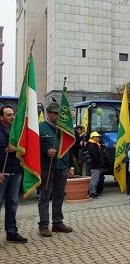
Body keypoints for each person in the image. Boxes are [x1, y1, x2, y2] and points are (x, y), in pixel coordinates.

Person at [38, 102, 74, 237]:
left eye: (60, 113)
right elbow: (33, 149)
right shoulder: (40, 128)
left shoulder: (63, 128)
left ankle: (57, 223)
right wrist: (45, 152)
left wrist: (71, 166)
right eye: (56, 113)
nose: (58, 115)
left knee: (59, 195)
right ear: (48, 113)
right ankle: (43, 225)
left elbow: (69, 148)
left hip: (62, 166)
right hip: (47, 167)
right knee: (44, 196)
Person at [0, 105, 28, 243]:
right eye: (8, 115)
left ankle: (11, 232)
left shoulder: (17, 131)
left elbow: (24, 149)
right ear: (1, 117)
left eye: (13, 114)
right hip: (1, 174)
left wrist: (15, 148)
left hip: (15, 173)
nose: (12, 117)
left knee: (12, 203)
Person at [87, 131, 106, 199]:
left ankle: (94, 192)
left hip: (97, 165)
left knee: (96, 179)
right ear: (93, 137)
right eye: (97, 137)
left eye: (98, 137)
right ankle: (92, 193)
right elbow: (94, 156)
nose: (98, 138)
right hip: (95, 165)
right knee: (94, 180)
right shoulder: (92, 145)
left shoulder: (96, 144)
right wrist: (99, 162)